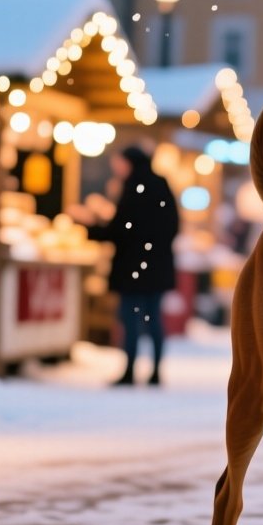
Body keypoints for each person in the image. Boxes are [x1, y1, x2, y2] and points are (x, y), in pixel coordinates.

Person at [86, 145, 180, 387]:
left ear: (129, 163)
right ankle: (156, 371)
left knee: (130, 319)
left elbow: (121, 229)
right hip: (157, 267)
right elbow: (172, 226)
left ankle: (129, 371)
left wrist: (91, 228)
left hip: (132, 267)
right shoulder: (161, 185)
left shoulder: (132, 187)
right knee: (153, 319)